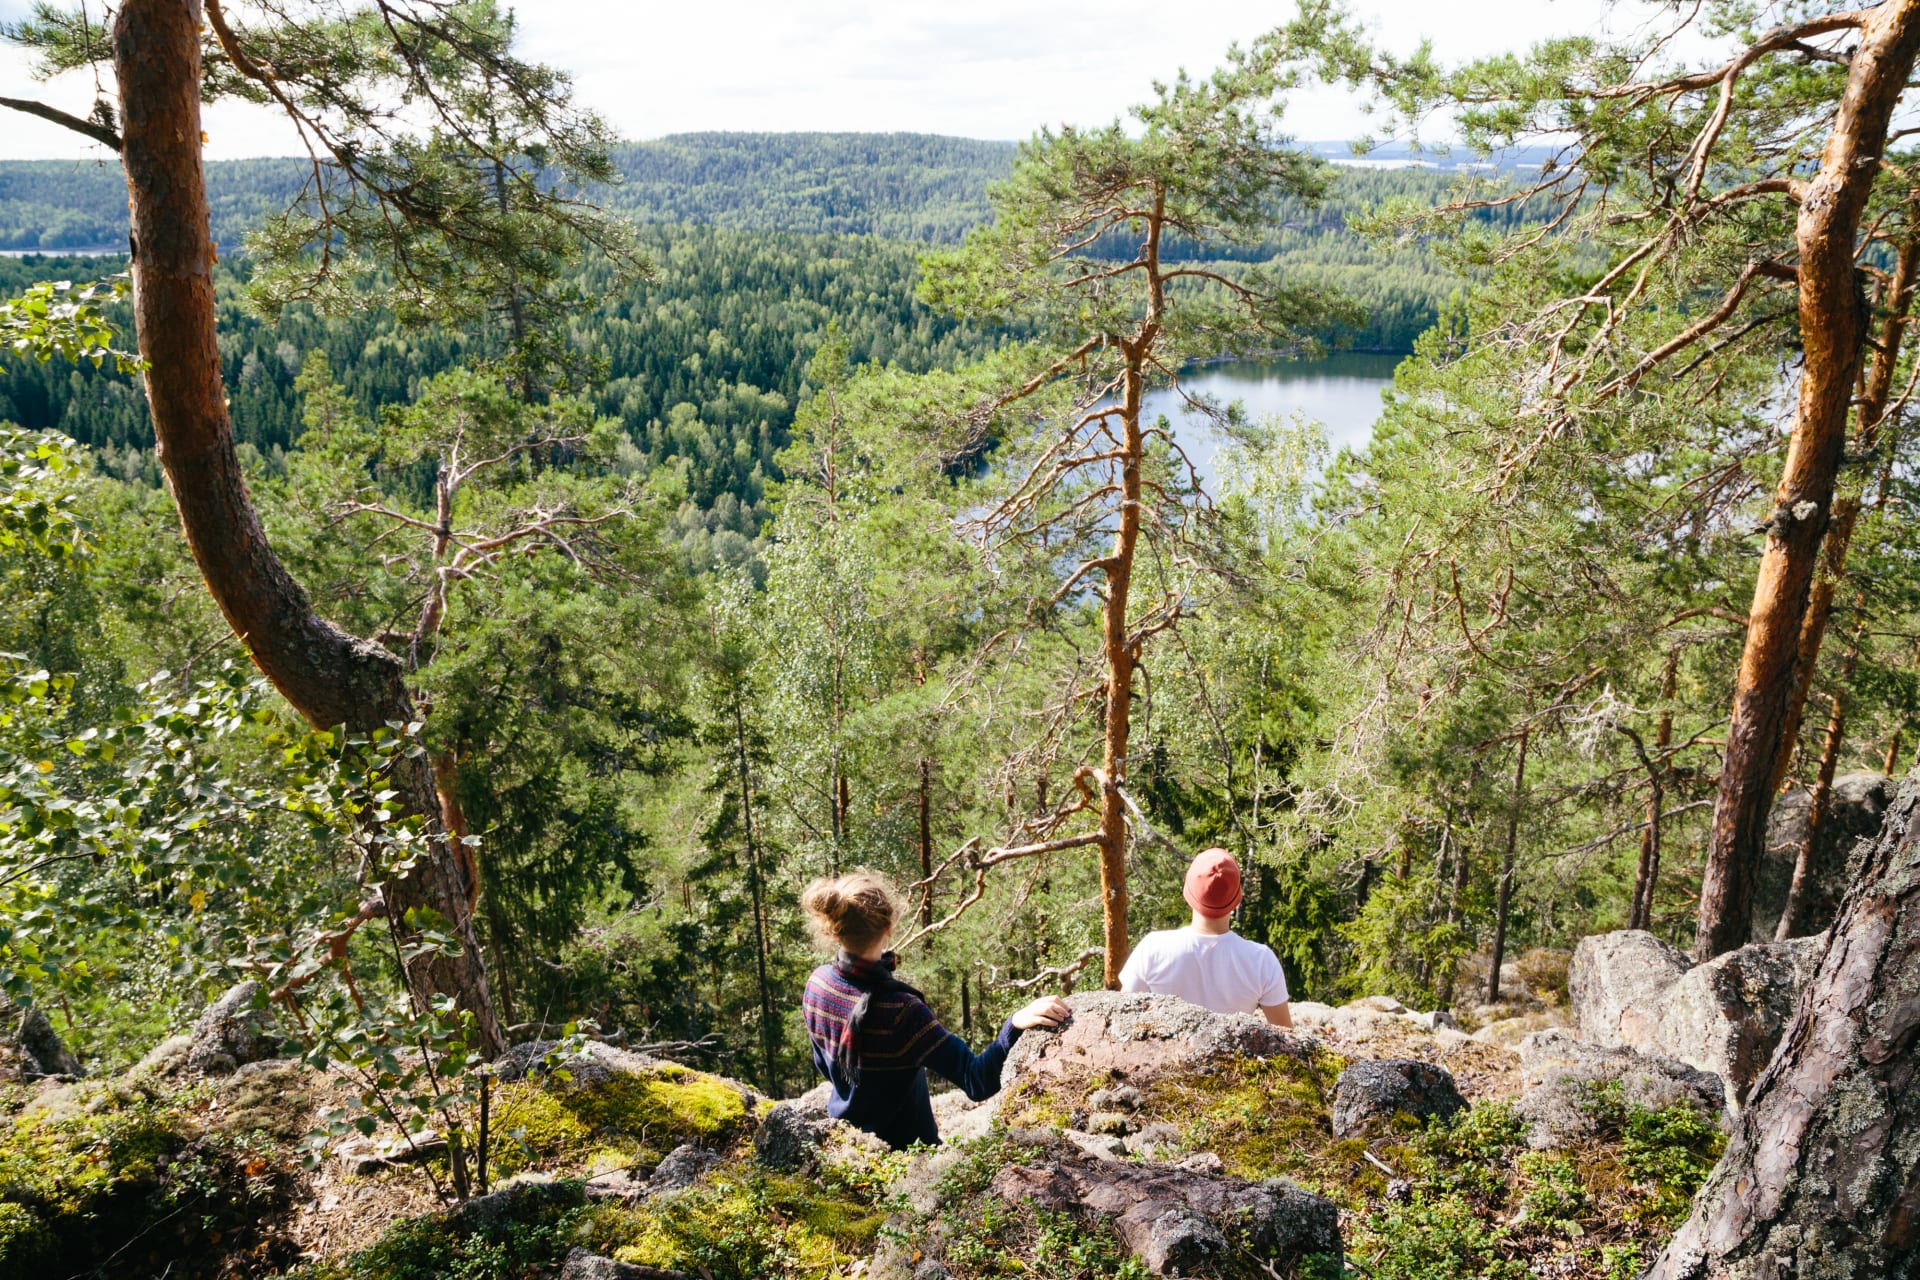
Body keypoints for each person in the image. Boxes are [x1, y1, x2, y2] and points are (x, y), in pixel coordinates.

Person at [800, 870, 1070, 1150]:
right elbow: (977, 1080)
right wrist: (1014, 1024)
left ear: (834, 929)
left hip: (846, 1143)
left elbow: (825, 1066)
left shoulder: (818, 984)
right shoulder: (902, 1011)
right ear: (888, 928)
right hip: (907, 1156)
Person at [1118, 847, 1292, 1026]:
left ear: (1188, 892)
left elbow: (1121, 1018)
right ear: (1236, 897)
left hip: (1164, 1054)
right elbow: (1287, 1035)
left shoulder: (1153, 948)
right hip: (1231, 1053)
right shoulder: (1261, 960)